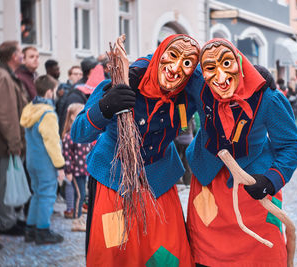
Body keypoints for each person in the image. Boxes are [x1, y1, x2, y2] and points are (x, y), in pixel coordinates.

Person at [71, 34, 200, 266]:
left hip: (159, 184)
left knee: (168, 255)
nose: (175, 68)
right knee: (116, 254)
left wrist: (256, 82)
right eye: (171, 56)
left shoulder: (188, 92)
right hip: (114, 185)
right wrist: (105, 106)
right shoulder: (118, 85)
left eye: (187, 64)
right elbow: (78, 132)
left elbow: (218, 74)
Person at [185, 38, 297, 266]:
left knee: (261, 254)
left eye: (227, 64)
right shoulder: (198, 84)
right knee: (206, 256)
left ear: (240, 61)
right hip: (208, 187)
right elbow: (172, 59)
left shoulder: (266, 98)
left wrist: (271, 180)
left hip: (254, 189)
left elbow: (290, 144)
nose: (220, 77)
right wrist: (138, 70)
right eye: (211, 68)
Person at [20, 75, 65, 245]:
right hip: (46, 161)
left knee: (37, 194)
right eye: (54, 91)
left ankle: (30, 230)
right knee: (47, 195)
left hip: (31, 160)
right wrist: (60, 165)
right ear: (49, 92)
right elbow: (52, 142)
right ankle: (43, 231)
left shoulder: (30, 109)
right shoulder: (48, 114)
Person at [0, 40, 29, 236]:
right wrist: (14, 142)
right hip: (7, 142)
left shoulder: (6, 75)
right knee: (6, 181)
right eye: (21, 52)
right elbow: (5, 115)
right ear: (13, 56)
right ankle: (6, 222)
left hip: (10, 141)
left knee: (9, 179)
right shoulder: (3, 77)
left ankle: (11, 218)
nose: (22, 55)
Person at [61, 103, 91, 231]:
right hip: (75, 171)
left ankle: (78, 219)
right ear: (73, 117)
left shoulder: (83, 132)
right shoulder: (69, 135)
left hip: (84, 169)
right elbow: (67, 155)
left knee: (81, 194)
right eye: (80, 112)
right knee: (80, 195)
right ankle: (76, 221)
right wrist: (68, 171)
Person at [55, 65, 83, 133]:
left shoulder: (83, 90)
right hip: (63, 125)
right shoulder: (63, 89)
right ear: (69, 76)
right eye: (75, 74)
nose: (78, 76)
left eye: (80, 74)